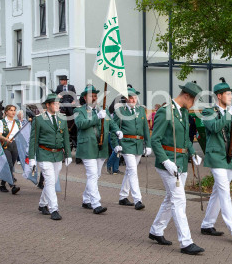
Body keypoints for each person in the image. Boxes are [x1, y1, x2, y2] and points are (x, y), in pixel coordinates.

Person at [149, 82, 205, 255]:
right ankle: (186, 242)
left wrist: (192, 152)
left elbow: (187, 138)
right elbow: (155, 140)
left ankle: (156, 230)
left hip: (180, 162)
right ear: (186, 96)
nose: (194, 103)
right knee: (179, 201)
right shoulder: (165, 112)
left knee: (170, 198)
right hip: (168, 163)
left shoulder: (184, 112)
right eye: (194, 99)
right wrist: (166, 161)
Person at [200, 79, 232, 243]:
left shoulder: (231, 113)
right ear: (219, 96)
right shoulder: (208, 112)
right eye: (227, 94)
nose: (230, 96)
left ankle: (207, 224)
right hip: (215, 157)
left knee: (217, 193)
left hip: (229, 158)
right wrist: (229, 114)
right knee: (225, 193)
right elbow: (213, 127)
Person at [74, 85, 120, 215]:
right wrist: (96, 117)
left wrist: (117, 130)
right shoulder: (79, 111)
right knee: (92, 175)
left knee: (96, 175)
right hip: (87, 147)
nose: (94, 98)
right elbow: (81, 124)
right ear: (85, 98)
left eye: (95, 95)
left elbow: (111, 123)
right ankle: (96, 203)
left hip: (101, 147)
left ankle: (86, 199)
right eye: (91, 96)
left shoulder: (102, 110)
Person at [28, 94, 72, 220]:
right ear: (47, 105)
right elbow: (33, 140)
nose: (57, 106)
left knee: (51, 182)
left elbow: (65, 137)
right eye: (55, 103)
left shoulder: (62, 118)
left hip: (57, 154)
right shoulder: (39, 119)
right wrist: (32, 158)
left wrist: (68, 154)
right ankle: (54, 209)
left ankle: (42, 204)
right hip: (44, 153)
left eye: (58, 103)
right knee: (50, 180)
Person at [114, 85, 151, 210]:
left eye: (135, 97)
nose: (133, 99)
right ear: (125, 99)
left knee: (130, 171)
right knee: (133, 171)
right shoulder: (121, 111)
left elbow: (145, 128)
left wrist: (148, 145)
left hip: (138, 144)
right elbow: (113, 127)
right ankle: (137, 200)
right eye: (130, 97)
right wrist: (116, 144)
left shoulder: (140, 110)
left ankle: (123, 196)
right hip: (127, 144)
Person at [0, 105, 21, 194]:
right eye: (11, 110)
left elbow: (20, 134)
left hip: (14, 144)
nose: (13, 112)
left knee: (10, 164)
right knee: (9, 164)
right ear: (6, 112)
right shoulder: (1, 122)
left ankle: (2, 184)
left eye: (14, 110)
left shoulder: (17, 123)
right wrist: (5, 139)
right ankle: (12, 185)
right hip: (5, 144)